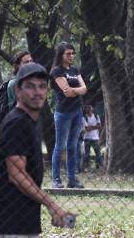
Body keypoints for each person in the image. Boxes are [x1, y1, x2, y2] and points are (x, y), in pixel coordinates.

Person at [0, 63, 74, 236]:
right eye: (30, 86)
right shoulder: (17, 123)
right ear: (18, 91)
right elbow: (16, 175)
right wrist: (51, 204)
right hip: (11, 223)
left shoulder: (30, 120)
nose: (37, 92)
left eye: (42, 86)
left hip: (24, 220)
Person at [50, 42, 87, 188]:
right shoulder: (56, 71)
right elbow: (67, 92)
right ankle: (56, 180)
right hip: (63, 113)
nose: (71, 56)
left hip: (77, 111)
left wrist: (75, 90)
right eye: (68, 54)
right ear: (61, 55)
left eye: (73, 53)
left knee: (73, 146)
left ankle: (72, 179)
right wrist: (77, 89)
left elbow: (84, 89)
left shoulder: (75, 69)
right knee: (60, 146)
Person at [82, 105, 103, 170]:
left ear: (92, 109)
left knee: (98, 153)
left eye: (89, 108)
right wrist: (95, 126)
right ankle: (87, 167)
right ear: (85, 110)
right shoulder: (84, 118)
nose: (88, 110)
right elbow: (87, 128)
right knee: (87, 154)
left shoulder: (96, 116)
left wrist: (91, 127)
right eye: (87, 108)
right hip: (87, 138)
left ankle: (99, 166)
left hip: (95, 138)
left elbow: (99, 126)